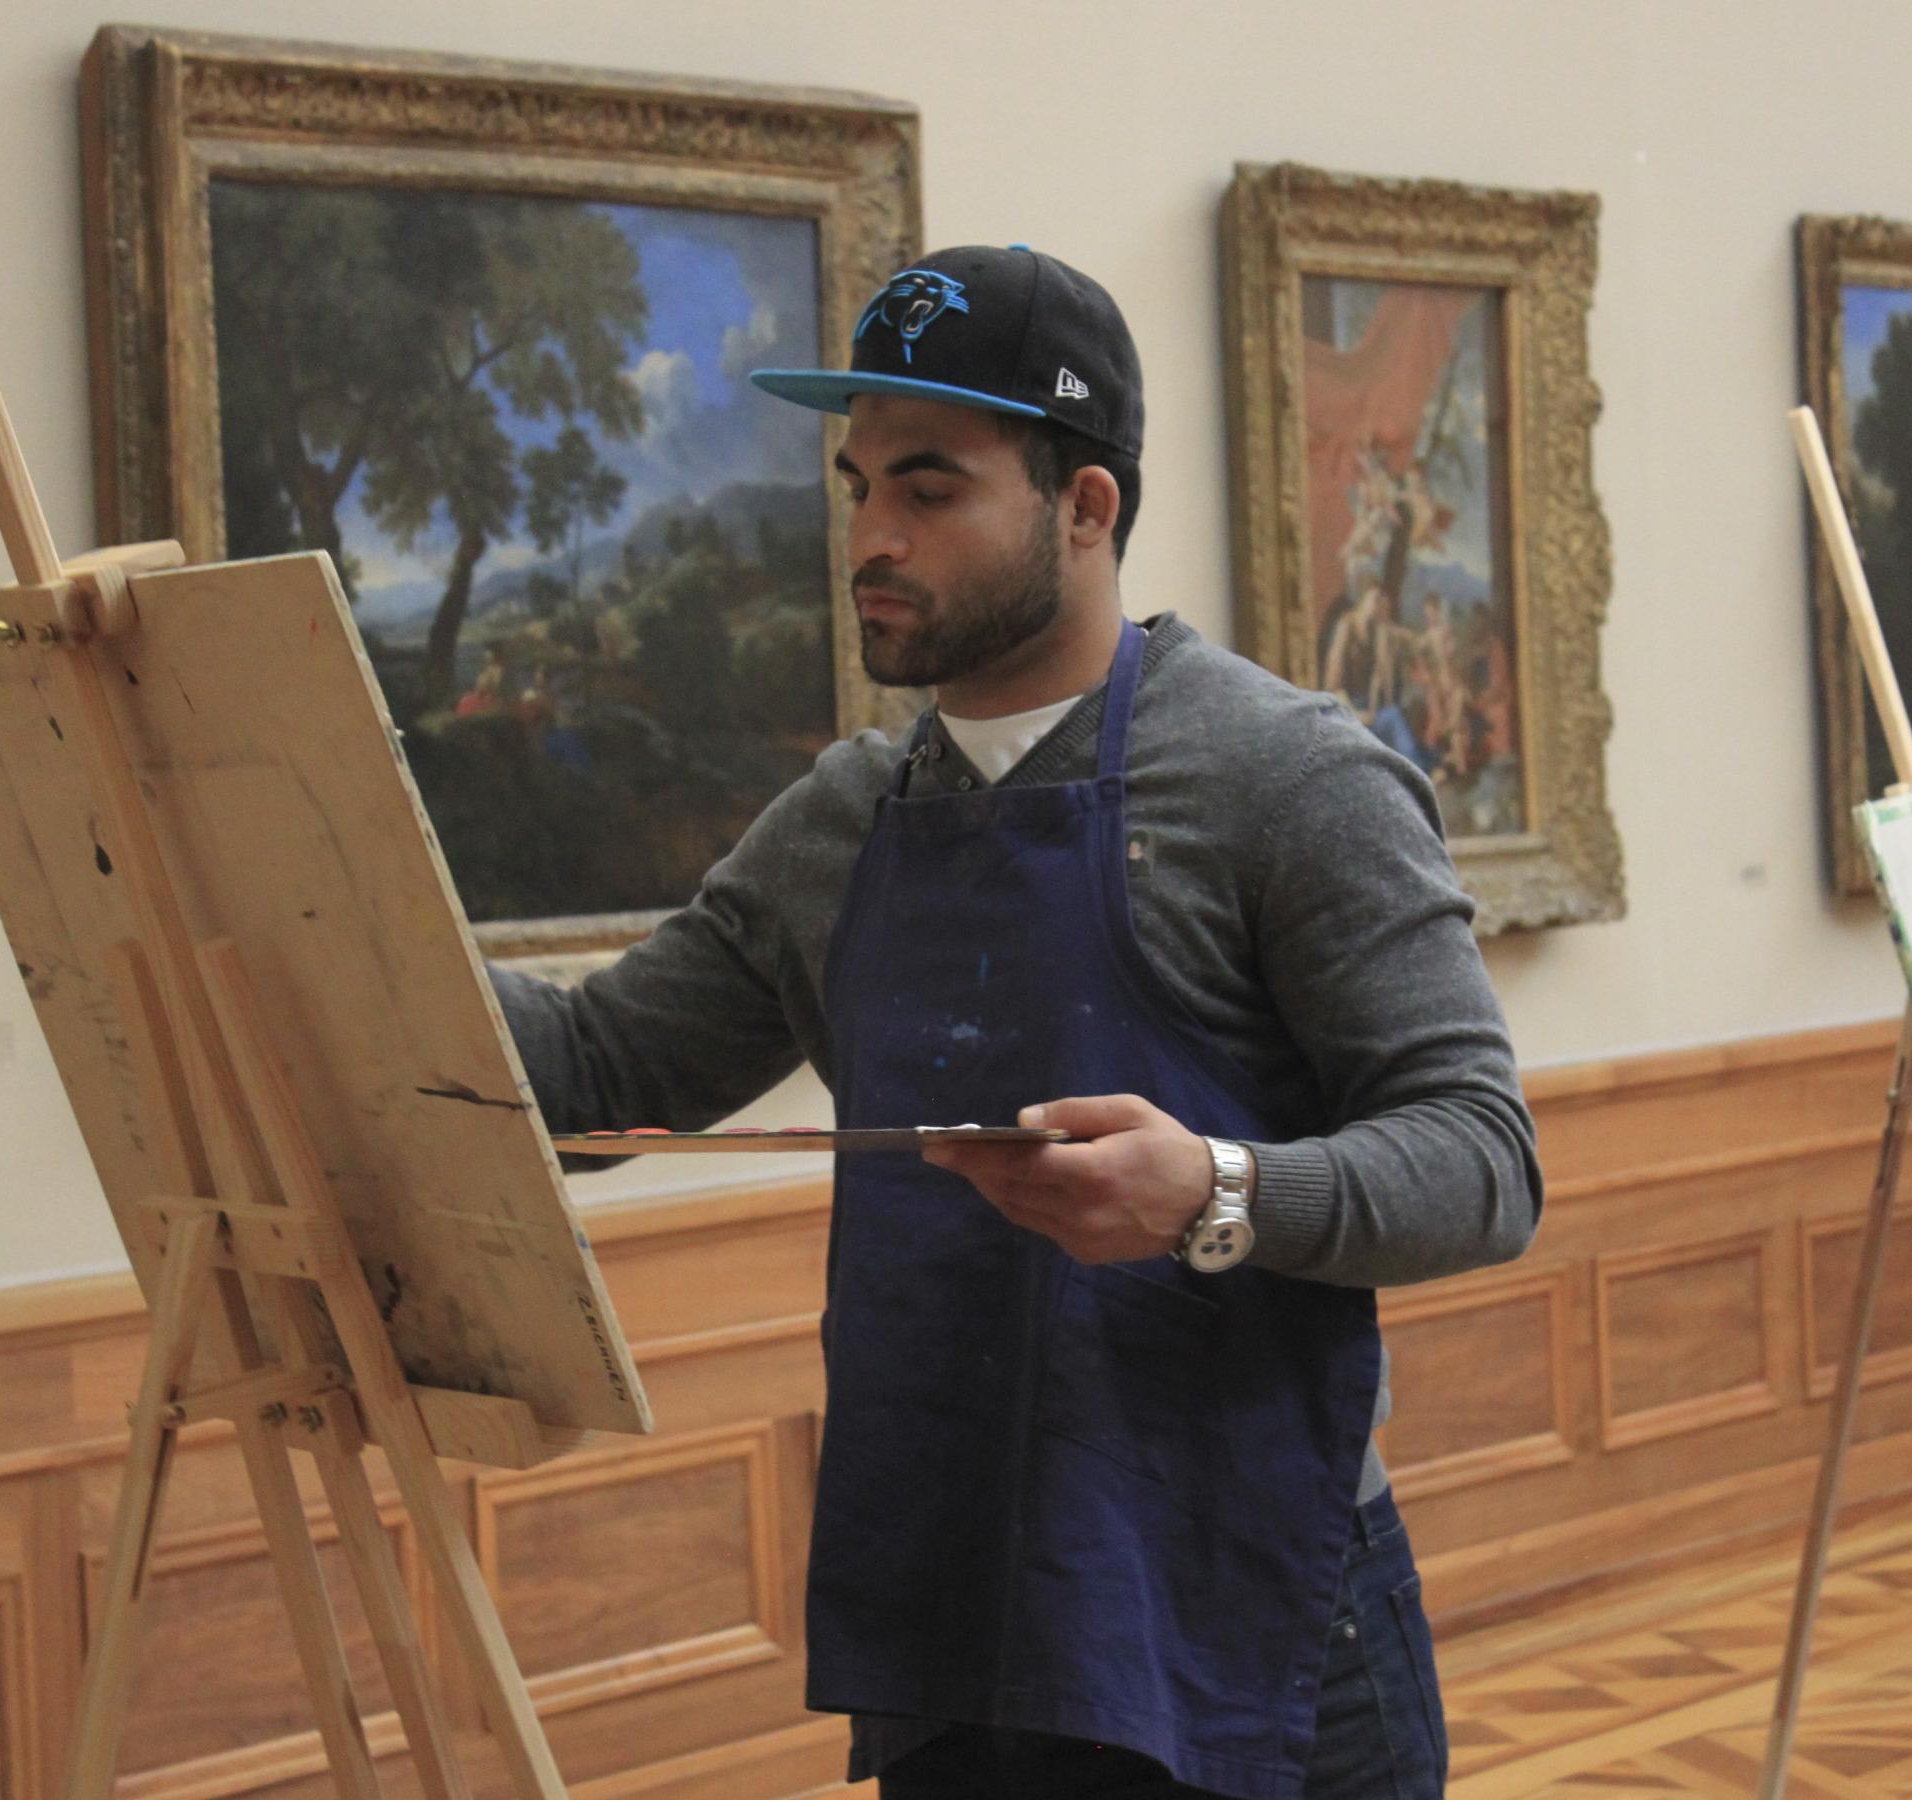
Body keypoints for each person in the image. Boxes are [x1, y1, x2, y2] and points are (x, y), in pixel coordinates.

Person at [489, 244, 1541, 1800]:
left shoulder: (1289, 779)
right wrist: (313, 900)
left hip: (1260, 1628)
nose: (872, 537)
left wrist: (1216, 1192)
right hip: (955, 1633)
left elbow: (1485, 1162)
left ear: (1085, 505)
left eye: (930, 488)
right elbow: (591, 1079)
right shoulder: (839, 823)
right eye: (859, 488)